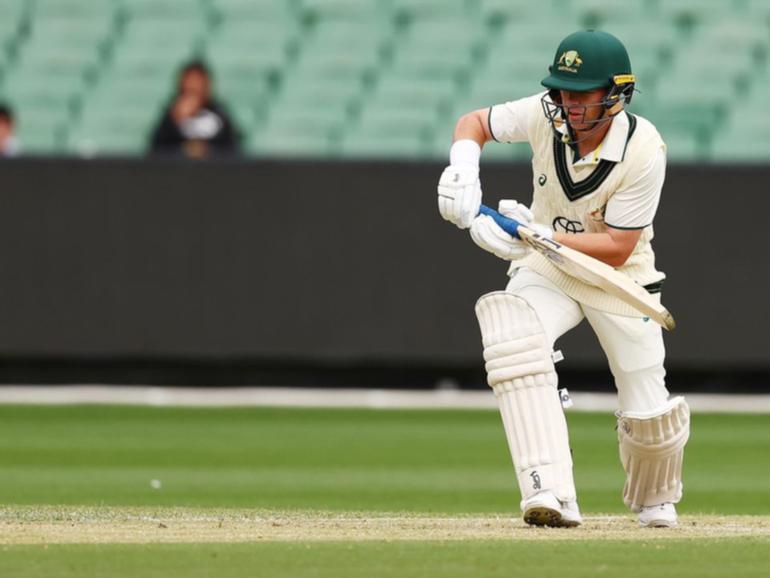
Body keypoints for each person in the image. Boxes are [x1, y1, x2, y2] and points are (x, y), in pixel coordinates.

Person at [437, 30, 689, 528]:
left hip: (620, 279)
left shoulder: (644, 149)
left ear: (616, 94)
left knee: (647, 406)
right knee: (513, 334)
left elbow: (617, 248)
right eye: (563, 92)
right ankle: (549, 491)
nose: (569, 105)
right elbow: (474, 123)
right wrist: (463, 170)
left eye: (583, 94)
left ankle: (655, 497)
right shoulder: (540, 113)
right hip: (550, 269)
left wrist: (537, 233)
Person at [150, 60, 239, 159]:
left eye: (198, 81)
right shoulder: (171, 114)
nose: (193, 86)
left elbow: (232, 149)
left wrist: (207, 150)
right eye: (190, 80)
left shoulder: (219, 113)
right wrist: (173, 121)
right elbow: (156, 149)